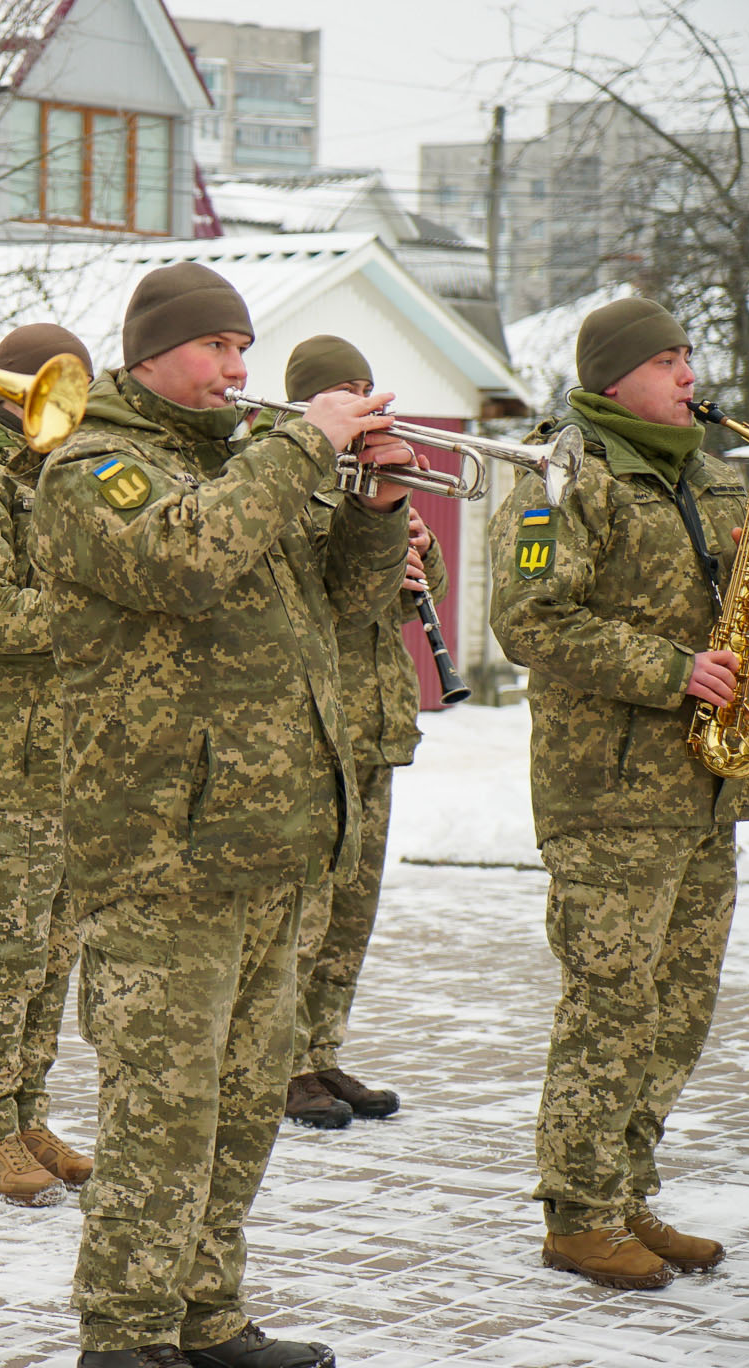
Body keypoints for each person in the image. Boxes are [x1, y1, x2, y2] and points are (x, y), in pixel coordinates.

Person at [30, 262, 412, 1368]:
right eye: (214, 348)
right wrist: (305, 448)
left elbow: (338, 610)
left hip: (269, 840)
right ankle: (126, 1331)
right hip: (162, 852)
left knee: (242, 1106)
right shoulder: (94, 466)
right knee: (162, 1114)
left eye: (245, 349)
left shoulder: (242, 467)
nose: (239, 372)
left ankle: (204, 1312)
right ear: (148, 352)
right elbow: (185, 560)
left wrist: (374, 510)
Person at [488, 296, 749, 1290]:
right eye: (666, 361)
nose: (688, 374)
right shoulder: (558, 475)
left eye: (686, 356)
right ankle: (575, 1212)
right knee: (608, 1004)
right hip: (607, 795)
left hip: (701, 790)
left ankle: (625, 1193)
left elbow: (724, 605)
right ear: (613, 377)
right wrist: (673, 671)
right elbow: (530, 621)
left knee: (676, 1008)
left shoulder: (706, 474)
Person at [261, 337, 445, 1131]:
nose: (365, 401)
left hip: (374, 726)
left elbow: (398, 608)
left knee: (350, 914)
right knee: (300, 912)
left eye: (369, 386)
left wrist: (421, 564)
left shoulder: (385, 481)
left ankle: (322, 1047)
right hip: (311, 734)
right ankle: (279, 1064)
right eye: (345, 390)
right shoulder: (284, 480)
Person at [0, 322, 94, 1205]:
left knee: (55, 946)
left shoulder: (71, 480)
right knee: (7, 945)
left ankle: (30, 1111)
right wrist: (100, 611)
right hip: (11, 758)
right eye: (50, 389)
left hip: (79, 751)